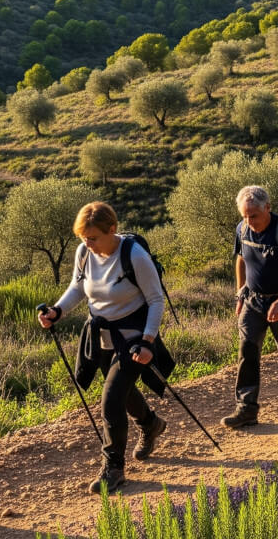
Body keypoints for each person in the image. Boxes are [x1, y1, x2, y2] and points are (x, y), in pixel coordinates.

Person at [37, 202, 167, 494]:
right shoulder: (84, 253)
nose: (88, 243)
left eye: (93, 238)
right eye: (84, 238)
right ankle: (150, 424)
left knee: (111, 399)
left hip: (134, 339)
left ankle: (114, 468)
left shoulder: (134, 255)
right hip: (102, 338)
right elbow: (78, 287)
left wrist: (147, 341)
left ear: (112, 229)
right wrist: (57, 311)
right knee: (123, 391)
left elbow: (156, 299)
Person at [222, 186, 278, 429]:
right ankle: (246, 408)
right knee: (247, 351)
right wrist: (240, 292)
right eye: (245, 216)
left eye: (254, 216)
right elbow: (240, 259)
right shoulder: (242, 229)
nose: (249, 221)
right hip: (252, 301)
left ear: (268, 208)